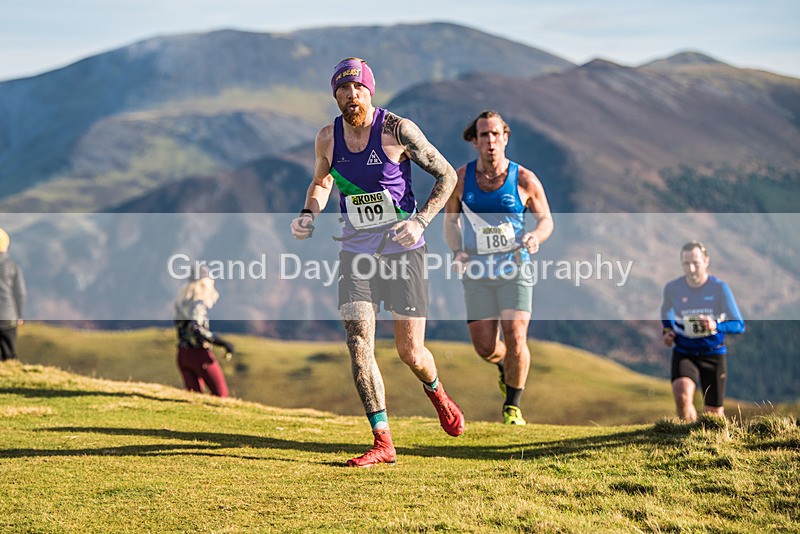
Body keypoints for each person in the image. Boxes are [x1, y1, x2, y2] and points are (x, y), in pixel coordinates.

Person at [290, 57, 464, 467]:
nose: (352, 96)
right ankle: (383, 441)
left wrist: (421, 221)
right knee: (358, 345)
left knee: (411, 353)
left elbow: (447, 176)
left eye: (359, 89)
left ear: (370, 91)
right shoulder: (327, 138)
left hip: (404, 252)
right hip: (356, 254)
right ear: (335, 95)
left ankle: (436, 391)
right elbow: (322, 180)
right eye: (343, 90)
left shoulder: (397, 130)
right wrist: (308, 214)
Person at [444, 111, 554, 425]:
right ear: (474, 141)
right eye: (484, 135)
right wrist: (457, 251)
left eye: (495, 134)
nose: (490, 141)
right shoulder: (461, 179)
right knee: (485, 347)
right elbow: (451, 222)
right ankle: (505, 363)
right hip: (477, 270)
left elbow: (546, 220)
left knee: (516, 335)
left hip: (515, 266)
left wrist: (535, 236)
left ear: (505, 138)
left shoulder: (524, 179)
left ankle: (512, 406)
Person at [661, 241, 745, 421]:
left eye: (695, 263)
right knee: (682, 396)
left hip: (713, 353)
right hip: (684, 351)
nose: (691, 269)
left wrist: (716, 325)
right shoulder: (673, 288)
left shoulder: (720, 289)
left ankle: (705, 441)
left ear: (706, 261)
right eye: (686, 264)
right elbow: (665, 310)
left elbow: (739, 325)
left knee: (713, 415)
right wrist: (667, 330)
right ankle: (686, 438)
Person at [173, 266, 234, 397]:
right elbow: (196, 328)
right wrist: (220, 342)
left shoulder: (181, 303)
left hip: (182, 354)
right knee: (221, 395)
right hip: (199, 355)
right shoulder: (197, 304)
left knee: (194, 398)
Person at [0, 228, 26, 362]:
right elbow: (20, 293)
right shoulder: (12, 266)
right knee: (9, 354)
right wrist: (19, 315)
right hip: (8, 317)